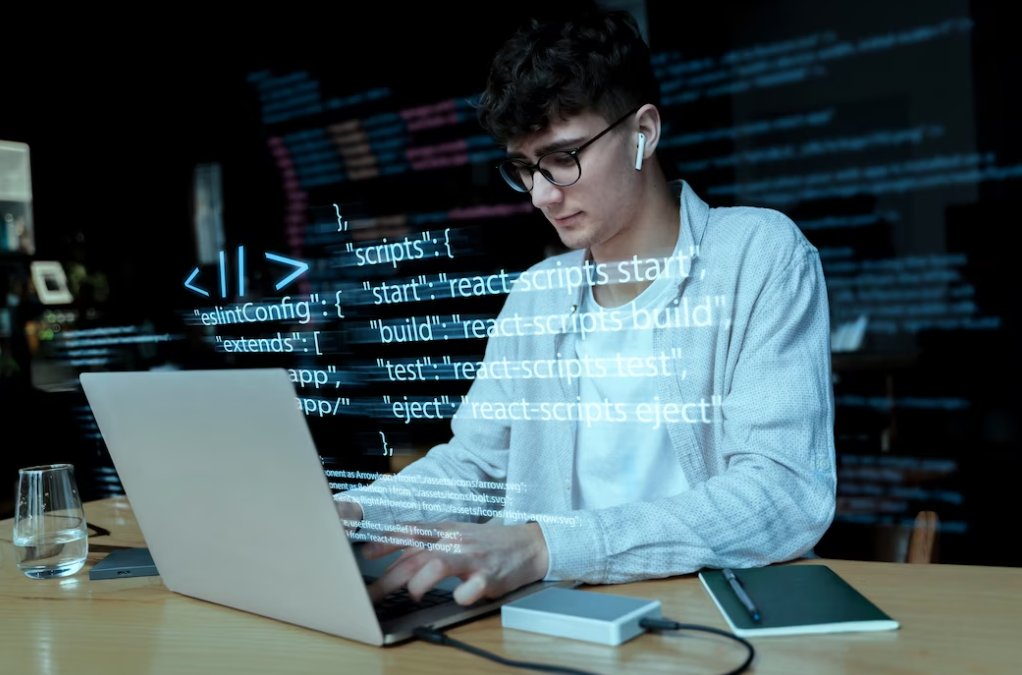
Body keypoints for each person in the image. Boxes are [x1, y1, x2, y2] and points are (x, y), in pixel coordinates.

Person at [335, 10, 836, 607]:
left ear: (642, 133)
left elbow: (782, 495)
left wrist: (544, 546)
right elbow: (477, 468)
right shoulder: (537, 295)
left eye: (564, 156)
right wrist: (354, 510)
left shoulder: (758, 254)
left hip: (720, 612)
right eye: (524, 168)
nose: (543, 194)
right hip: (561, 615)